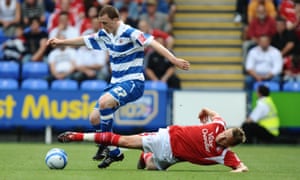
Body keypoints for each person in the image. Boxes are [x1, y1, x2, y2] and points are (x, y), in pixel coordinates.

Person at [47, 5, 190, 169]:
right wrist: (61, 42)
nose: (103, 26)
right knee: (94, 118)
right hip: (115, 83)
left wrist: (174, 60)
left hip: (133, 82)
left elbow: (154, 43)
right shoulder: (105, 34)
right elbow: (84, 40)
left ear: (116, 20)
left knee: (104, 103)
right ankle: (115, 152)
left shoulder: (129, 32)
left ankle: (105, 142)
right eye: (101, 23)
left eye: (106, 22)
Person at [57, 107, 248, 172]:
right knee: (124, 141)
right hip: (165, 138)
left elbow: (242, 167)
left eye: (225, 139)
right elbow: (214, 114)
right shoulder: (219, 125)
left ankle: (146, 158)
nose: (221, 136)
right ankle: (76, 136)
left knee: (149, 168)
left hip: (171, 158)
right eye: (225, 133)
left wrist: (238, 172)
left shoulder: (223, 155)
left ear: (230, 144)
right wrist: (205, 111)